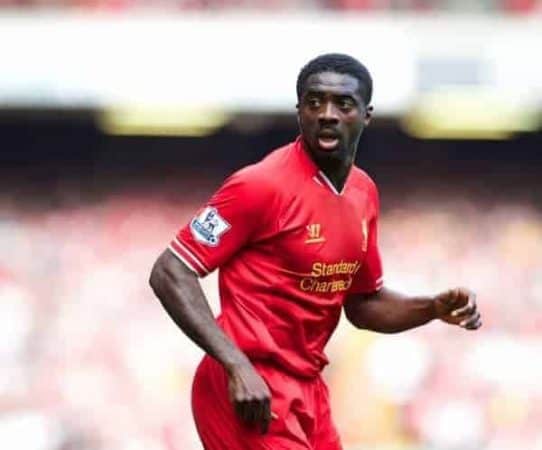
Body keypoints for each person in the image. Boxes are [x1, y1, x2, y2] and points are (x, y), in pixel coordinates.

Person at [149, 53, 481, 450]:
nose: (327, 114)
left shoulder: (363, 193)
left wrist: (431, 309)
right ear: (299, 112)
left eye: (343, 104)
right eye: (314, 102)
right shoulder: (260, 185)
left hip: (308, 388)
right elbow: (170, 270)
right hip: (248, 387)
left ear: (366, 115)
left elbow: (363, 304)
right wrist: (236, 364)